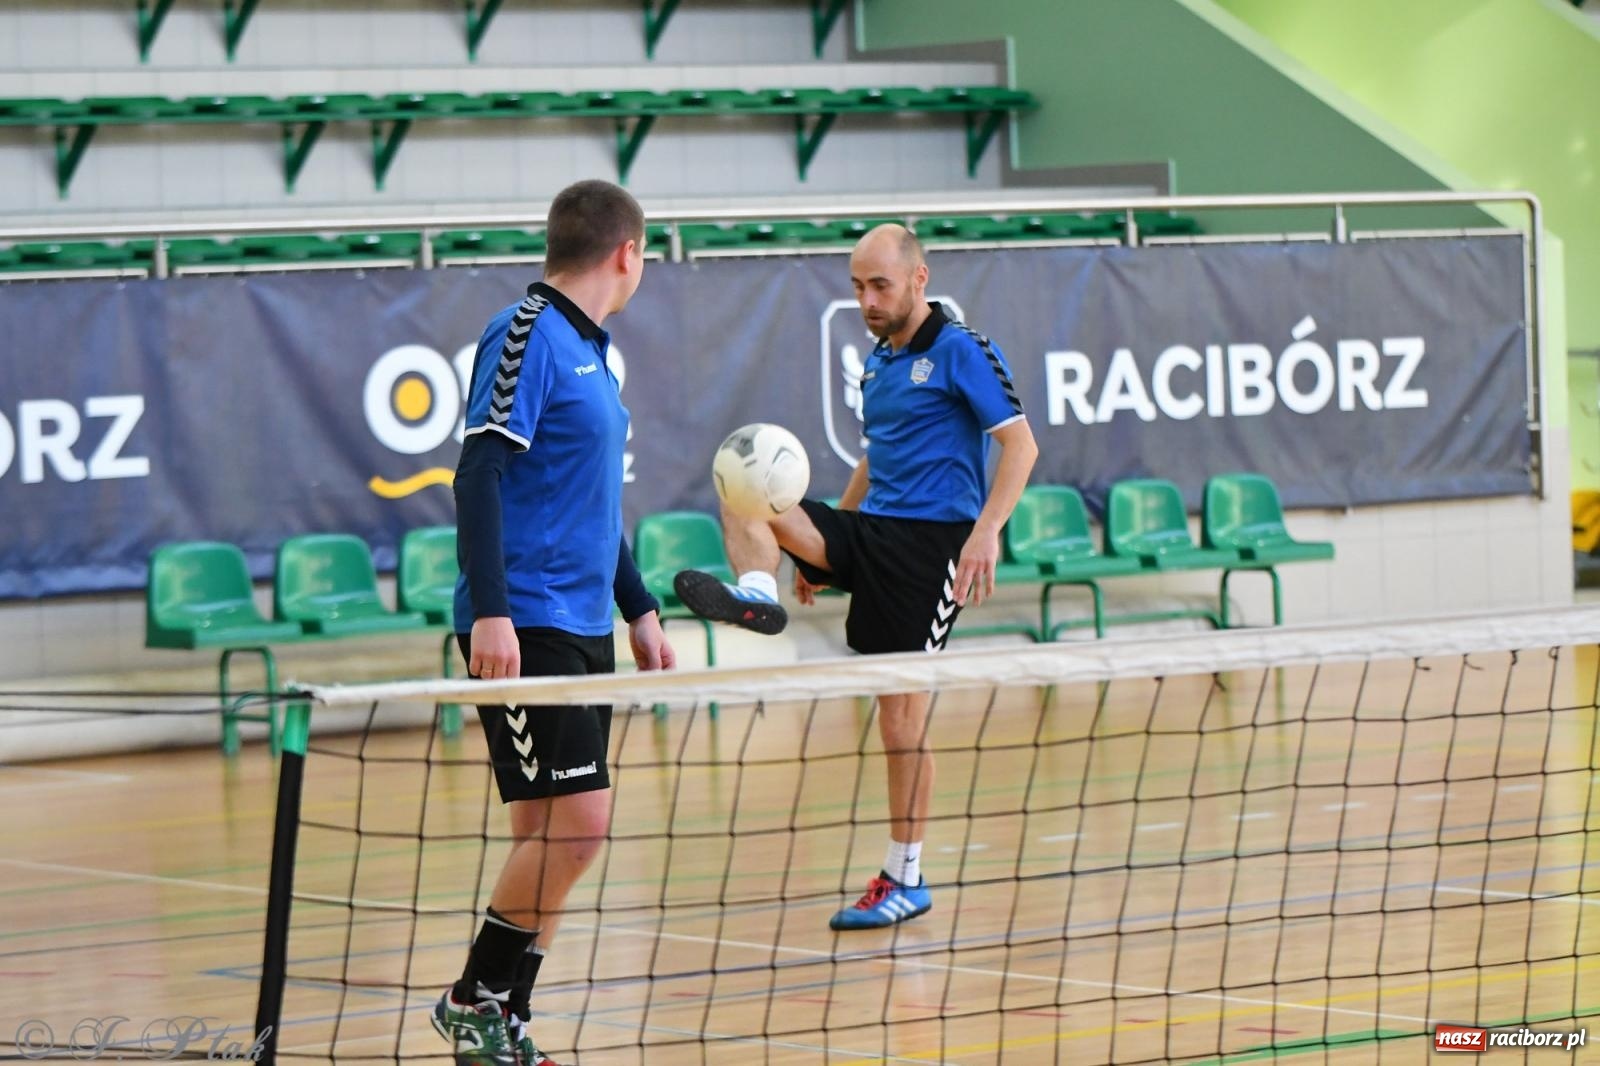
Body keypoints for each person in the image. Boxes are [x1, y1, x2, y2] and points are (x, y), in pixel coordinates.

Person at [674, 223, 1038, 930]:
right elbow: (876, 456)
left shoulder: (961, 350)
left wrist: (986, 532)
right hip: (870, 533)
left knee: (900, 719)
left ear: (919, 279)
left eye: (880, 285)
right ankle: (759, 594)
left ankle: (906, 877)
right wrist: (826, 549)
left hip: (933, 551)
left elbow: (1020, 446)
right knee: (742, 487)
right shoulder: (878, 361)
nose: (867, 300)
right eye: (857, 287)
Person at [434, 179, 676, 1066]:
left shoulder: (594, 356)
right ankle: (471, 997)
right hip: (525, 622)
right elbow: (479, 477)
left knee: (546, 833)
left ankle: (506, 1015)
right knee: (584, 825)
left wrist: (639, 606)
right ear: (627, 254)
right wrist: (492, 614)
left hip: (583, 623)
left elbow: (590, 503)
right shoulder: (526, 333)